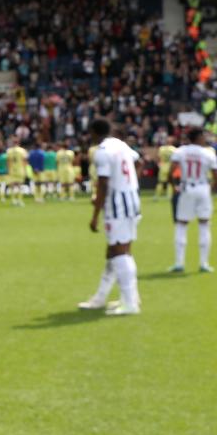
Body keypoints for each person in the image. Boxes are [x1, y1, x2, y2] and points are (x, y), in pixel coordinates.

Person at [79, 118, 142, 315]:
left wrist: (95, 214)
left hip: (117, 206)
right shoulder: (120, 144)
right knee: (120, 250)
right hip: (132, 199)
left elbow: (103, 184)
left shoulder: (103, 152)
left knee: (119, 252)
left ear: (94, 133)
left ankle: (130, 303)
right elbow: (138, 160)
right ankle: (111, 298)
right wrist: (128, 184)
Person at [169, 127, 217, 272]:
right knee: (204, 224)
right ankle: (204, 263)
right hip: (203, 187)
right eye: (203, 136)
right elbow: (216, 174)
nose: (205, 138)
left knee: (181, 224)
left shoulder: (180, 151)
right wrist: (212, 187)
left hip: (186, 187)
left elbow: (171, 171)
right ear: (198, 137)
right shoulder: (208, 153)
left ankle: (179, 263)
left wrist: (174, 186)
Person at [5, 137, 28, 206]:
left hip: (12, 170)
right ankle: (20, 200)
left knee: (12, 186)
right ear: (19, 143)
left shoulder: (9, 151)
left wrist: (8, 169)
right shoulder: (22, 150)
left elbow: (8, 162)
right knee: (20, 186)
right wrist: (25, 169)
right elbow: (25, 161)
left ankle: (13, 200)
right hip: (20, 169)